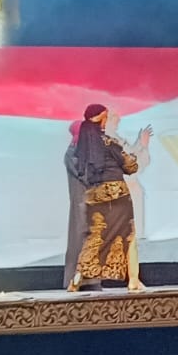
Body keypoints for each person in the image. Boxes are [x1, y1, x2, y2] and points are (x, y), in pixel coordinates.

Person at [71, 103, 145, 292]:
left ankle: (77, 277)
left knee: (94, 237)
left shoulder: (82, 147)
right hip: (117, 195)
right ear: (102, 120)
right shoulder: (110, 143)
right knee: (129, 235)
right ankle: (133, 280)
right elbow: (131, 167)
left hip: (94, 196)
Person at [62, 120, 86, 289]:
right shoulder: (72, 152)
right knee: (78, 240)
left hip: (90, 202)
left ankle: (90, 279)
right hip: (81, 202)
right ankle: (74, 279)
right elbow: (84, 174)